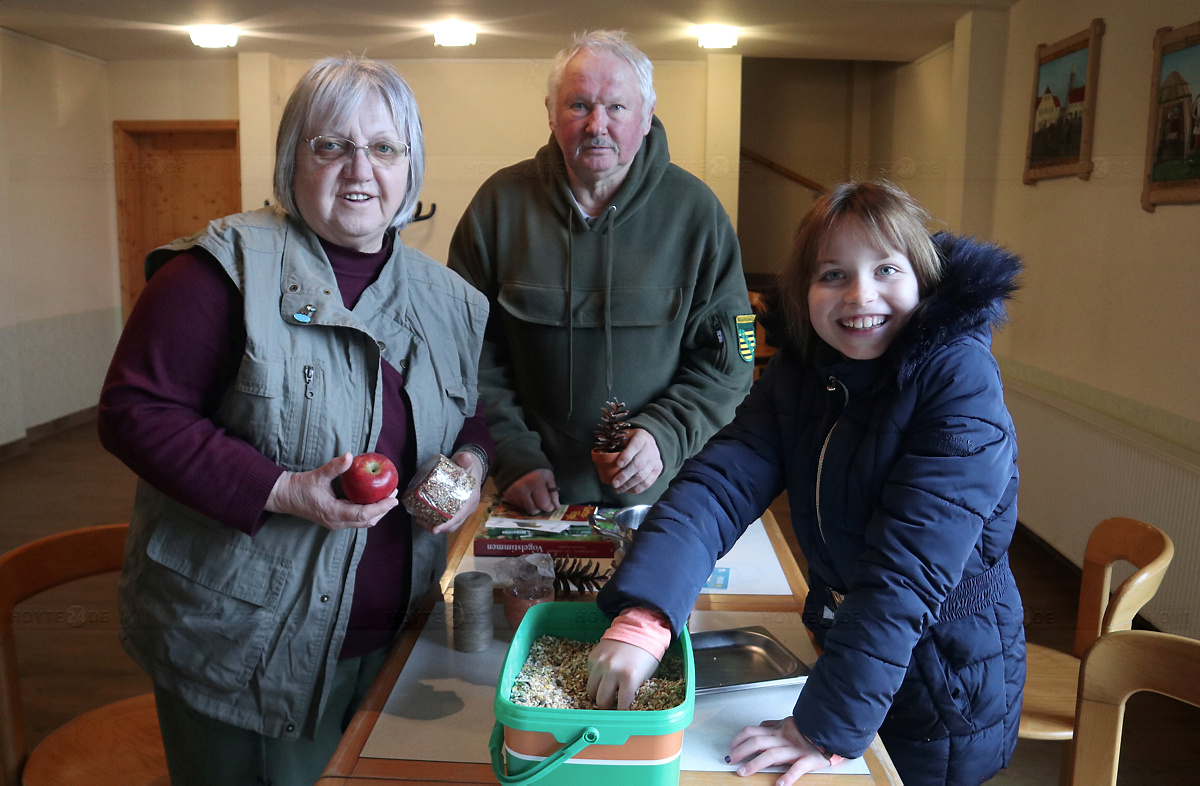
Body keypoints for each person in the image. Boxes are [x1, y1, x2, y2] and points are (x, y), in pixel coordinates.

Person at [97, 56, 492, 786]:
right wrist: (279, 489)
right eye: (330, 145)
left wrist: (467, 469)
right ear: (292, 158)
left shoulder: (452, 301)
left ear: (412, 166)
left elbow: (475, 418)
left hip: (396, 644)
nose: (359, 170)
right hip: (245, 649)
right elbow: (134, 412)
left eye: (384, 148)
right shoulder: (219, 272)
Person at [589, 180, 1025, 785]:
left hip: (942, 675)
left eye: (886, 269)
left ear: (922, 277)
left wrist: (821, 729)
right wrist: (646, 613)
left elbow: (903, 577)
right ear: (803, 292)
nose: (860, 295)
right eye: (833, 275)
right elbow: (718, 485)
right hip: (850, 643)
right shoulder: (805, 370)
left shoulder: (960, 379)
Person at [448, 29, 754, 514]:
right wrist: (511, 452)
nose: (597, 125)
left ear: (647, 115)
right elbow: (465, 354)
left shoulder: (696, 214)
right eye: (578, 106)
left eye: (617, 107)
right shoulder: (497, 208)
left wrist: (665, 434)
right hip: (526, 496)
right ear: (550, 112)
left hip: (663, 498)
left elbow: (728, 363)